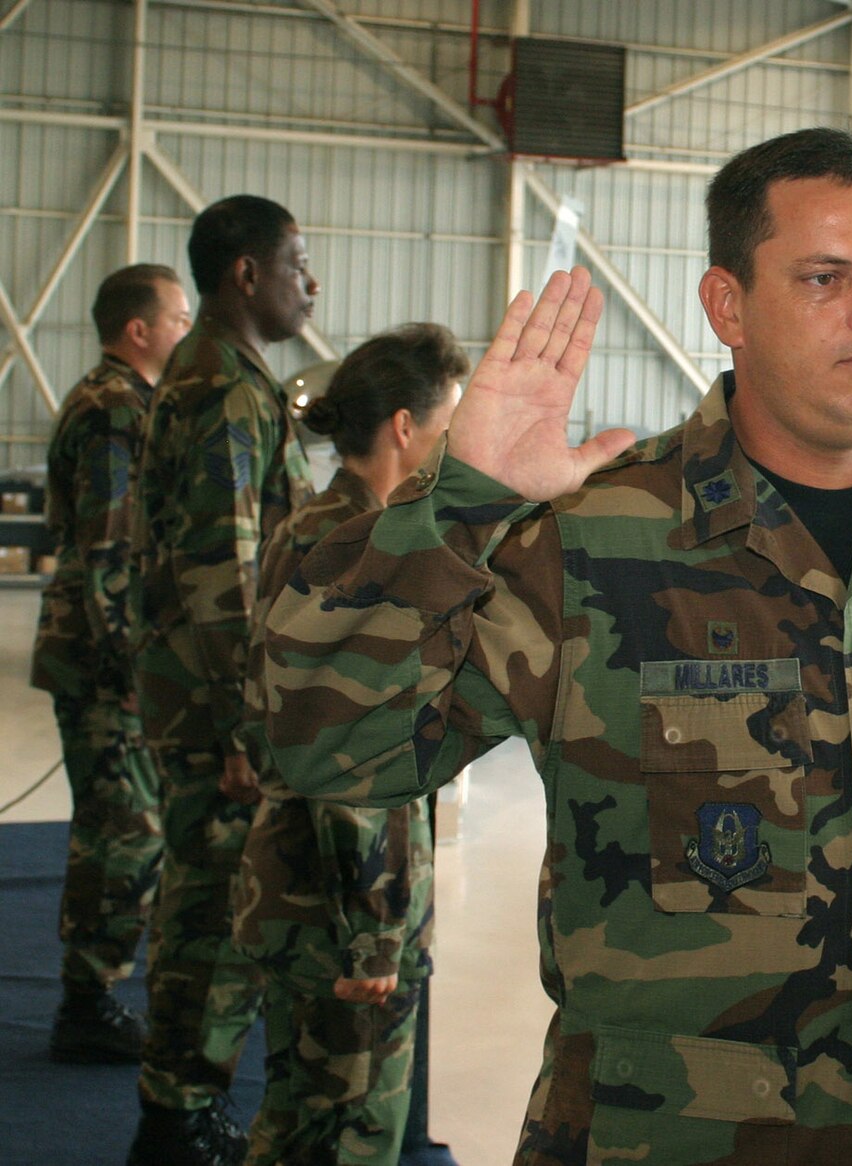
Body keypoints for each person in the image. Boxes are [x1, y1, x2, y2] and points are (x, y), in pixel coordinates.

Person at [257, 129, 852, 1165]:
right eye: (825, 278)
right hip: (669, 1135)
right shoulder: (595, 536)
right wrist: (459, 501)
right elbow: (320, 738)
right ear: (726, 305)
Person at [233, 325, 466, 1166]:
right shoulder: (367, 547)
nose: (457, 440)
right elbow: (354, 765)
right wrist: (374, 934)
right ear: (406, 427)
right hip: (341, 908)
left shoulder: (318, 523)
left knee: (296, 1116)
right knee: (353, 1130)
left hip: (299, 890)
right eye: (451, 421)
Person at [131, 194, 320, 1166]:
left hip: (205, 691)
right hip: (218, 704)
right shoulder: (222, 391)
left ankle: (178, 1099)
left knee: (208, 894)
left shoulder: (230, 379)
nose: (311, 283)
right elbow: (224, 576)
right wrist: (251, 727)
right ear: (246, 274)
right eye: (296, 263)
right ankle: (175, 1117)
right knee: (216, 902)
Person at [31, 263, 193, 1063]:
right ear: (140, 330)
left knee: (123, 826)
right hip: (106, 657)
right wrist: (135, 671)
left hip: (110, 650)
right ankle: (86, 1003)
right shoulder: (113, 411)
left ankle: (96, 986)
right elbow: (109, 551)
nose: (187, 330)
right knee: (125, 829)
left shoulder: (128, 404)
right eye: (178, 317)